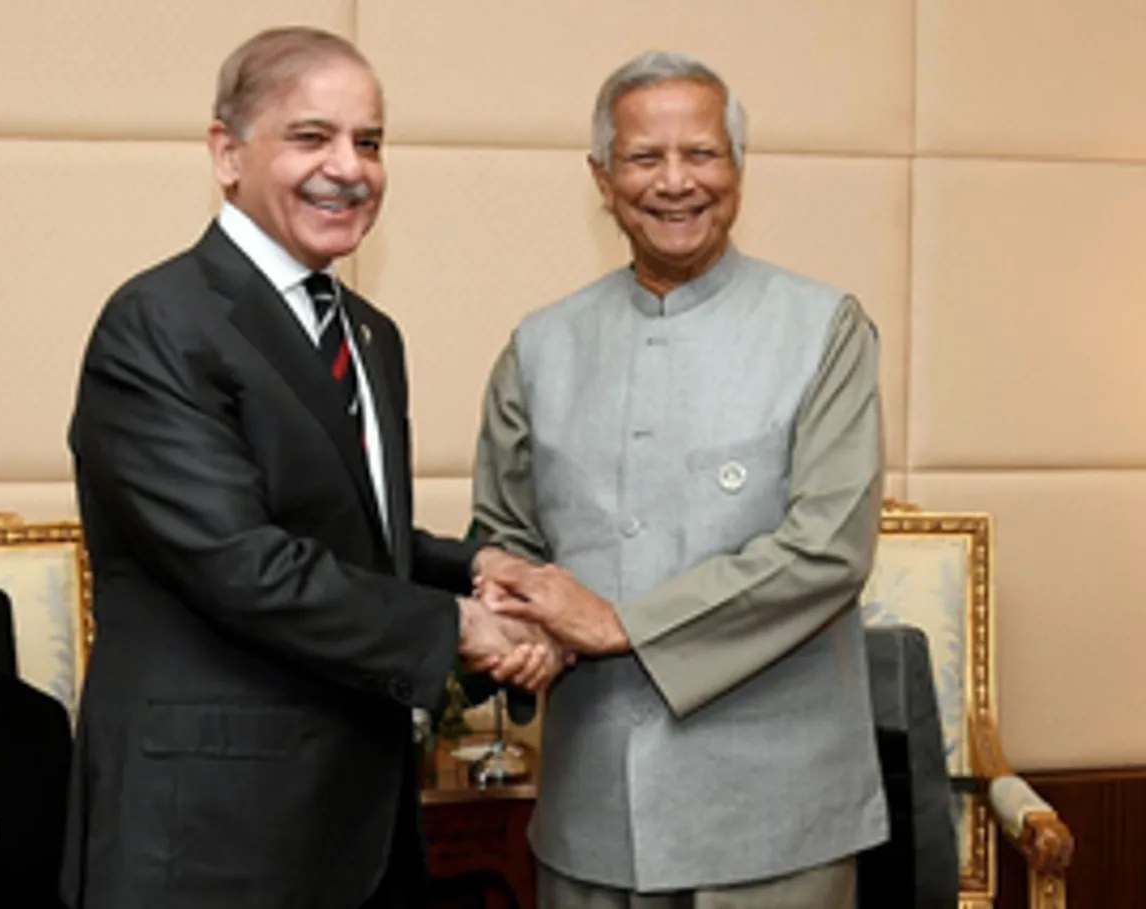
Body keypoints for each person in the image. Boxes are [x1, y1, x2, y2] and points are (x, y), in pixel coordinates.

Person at [61, 26, 559, 909]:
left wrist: (478, 568)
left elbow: (336, 527)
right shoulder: (157, 323)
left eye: (368, 141)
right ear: (227, 152)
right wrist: (461, 626)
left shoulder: (370, 334)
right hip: (211, 835)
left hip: (354, 824)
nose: (349, 166)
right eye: (310, 137)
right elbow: (240, 563)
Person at [472, 50, 890, 908]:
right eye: (643, 158)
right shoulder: (540, 346)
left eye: (701, 153)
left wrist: (620, 624)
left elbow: (827, 552)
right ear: (600, 175)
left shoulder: (823, 328)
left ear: (738, 168)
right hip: (590, 817)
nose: (675, 182)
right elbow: (504, 537)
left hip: (776, 828)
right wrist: (517, 623)